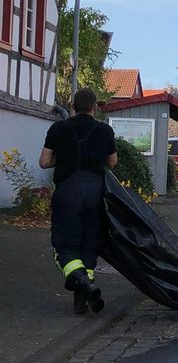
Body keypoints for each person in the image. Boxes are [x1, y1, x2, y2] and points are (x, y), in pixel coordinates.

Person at [38, 88, 117, 314]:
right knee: (89, 242)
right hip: (94, 192)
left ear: (73, 106)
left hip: (67, 193)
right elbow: (112, 162)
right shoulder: (104, 130)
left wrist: (62, 159)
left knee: (65, 243)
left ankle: (82, 284)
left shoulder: (58, 128)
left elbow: (44, 162)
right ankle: (84, 290)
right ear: (94, 107)